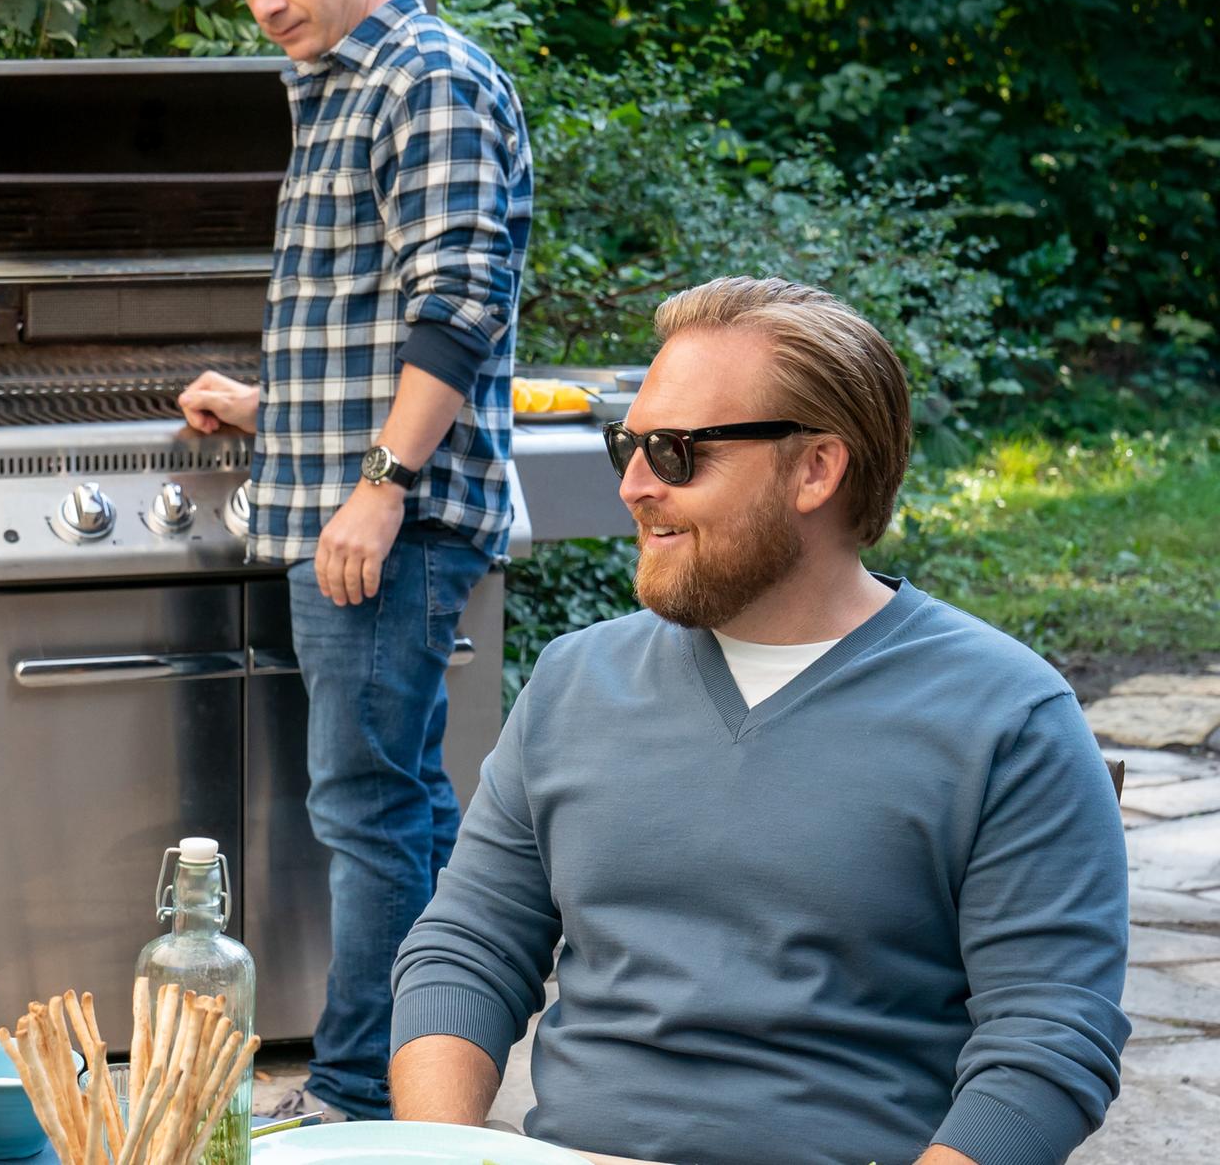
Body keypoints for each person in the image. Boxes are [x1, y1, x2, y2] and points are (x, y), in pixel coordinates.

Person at [389, 276, 1130, 1165]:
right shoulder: (574, 682)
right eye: (626, 443)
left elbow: (1047, 1044)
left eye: (675, 453)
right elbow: (466, 949)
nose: (632, 485)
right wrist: (436, 1151)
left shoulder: (1008, 719)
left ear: (815, 468)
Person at [175, 0, 532, 1122]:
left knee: (368, 811)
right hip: (352, 488)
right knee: (406, 804)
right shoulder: (340, 81)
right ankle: (431, 1079)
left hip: (393, 518)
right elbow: (381, 315)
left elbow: (459, 305)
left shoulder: (422, 78)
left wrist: (378, 485)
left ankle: (356, 1098)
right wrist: (277, 410)